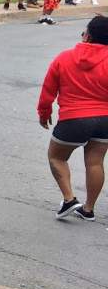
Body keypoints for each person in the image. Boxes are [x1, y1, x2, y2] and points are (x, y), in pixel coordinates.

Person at [38, 14, 108, 221]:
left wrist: (44, 113)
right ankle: (88, 209)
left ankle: (69, 199)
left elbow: (48, 90)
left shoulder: (64, 58)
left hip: (74, 119)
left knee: (57, 157)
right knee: (95, 162)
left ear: (87, 35)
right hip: (105, 119)